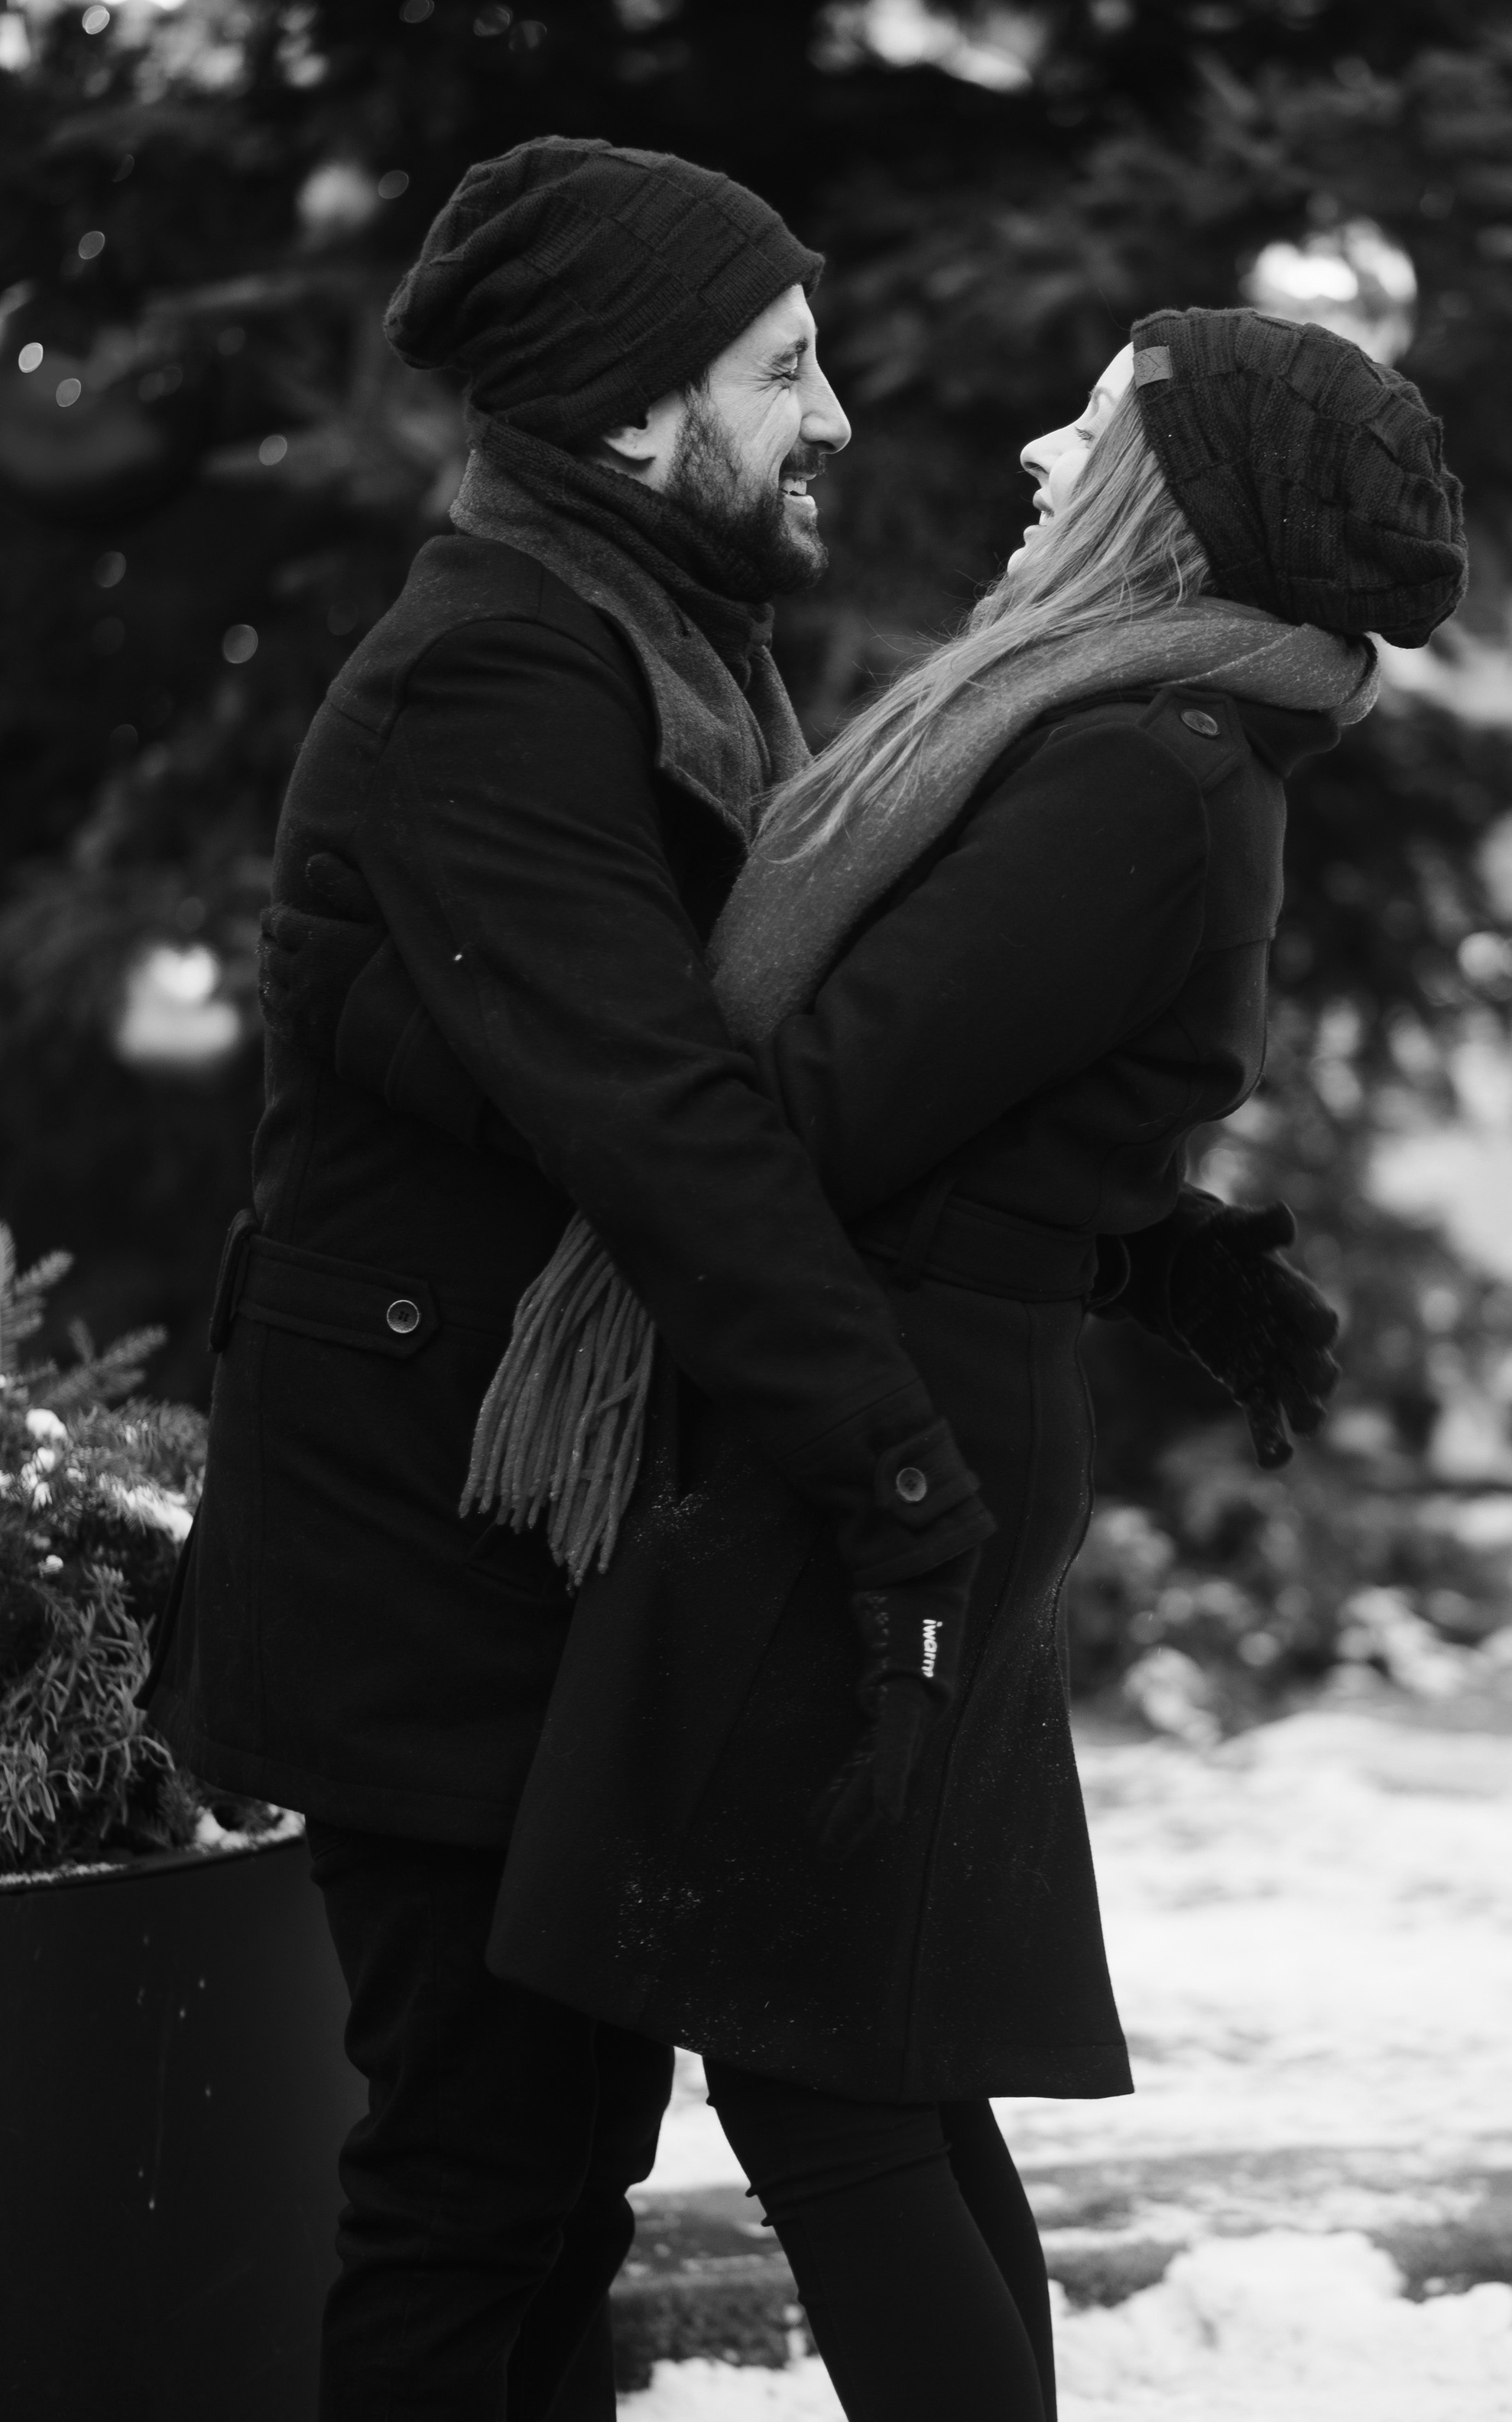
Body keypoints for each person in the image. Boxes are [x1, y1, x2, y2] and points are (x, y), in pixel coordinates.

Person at [475, 304, 1468, 2422]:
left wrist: (567, 1003)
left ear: (1177, 505)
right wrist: (1152, 1244)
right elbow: (1015, 1108)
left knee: (821, 2079)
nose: (1039, 448)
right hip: (922, 1405)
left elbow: (836, 1110)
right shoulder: (1160, 747)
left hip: (876, 1445)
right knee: (876, 2065)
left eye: (1092, 424)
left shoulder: (1139, 769)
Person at [142, 138, 1001, 2422]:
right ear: (636, 412)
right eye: (781, 367)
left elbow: (756, 1085)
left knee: (550, 2182)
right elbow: (660, 1121)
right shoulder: (502, 679)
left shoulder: (657, 650)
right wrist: (891, 1464)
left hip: (525, 1549)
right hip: (426, 1560)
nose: (833, 416)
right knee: (480, 2183)